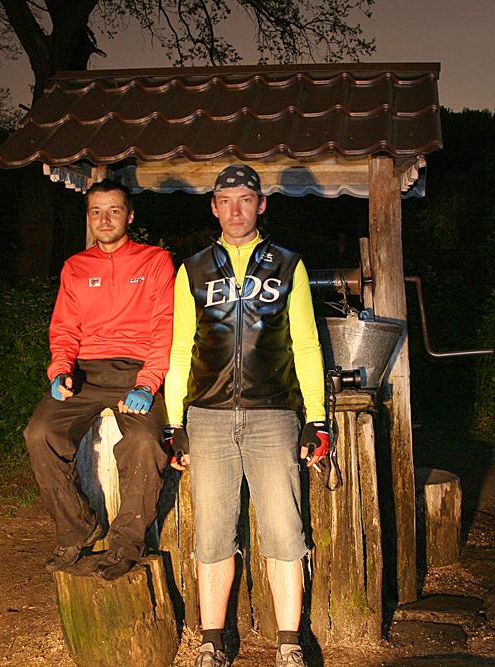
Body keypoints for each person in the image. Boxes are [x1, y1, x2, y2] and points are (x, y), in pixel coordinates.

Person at [165, 165, 330, 667]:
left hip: (273, 415)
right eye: (226, 200)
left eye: (245, 199)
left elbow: (306, 344)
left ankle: (289, 645)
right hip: (208, 417)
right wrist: (175, 424)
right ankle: (211, 643)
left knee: (284, 530)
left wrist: (316, 418)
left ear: (261, 205)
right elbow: (179, 351)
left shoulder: (288, 266)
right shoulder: (192, 269)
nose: (235, 210)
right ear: (214, 207)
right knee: (213, 533)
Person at [23, 180, 174, 581]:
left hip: (136, 372)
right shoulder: (76, 266)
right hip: (85, 373)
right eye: (96, 212)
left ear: (130, 215)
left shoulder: (155, 261)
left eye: (113, 210)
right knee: (40, 433)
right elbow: (65, 328)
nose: (104, 220)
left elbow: (164, 327)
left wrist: (148, 383)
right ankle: (77, 528)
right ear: (88, 218)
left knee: (144, 444)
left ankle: (126, 545)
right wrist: (60, 370)